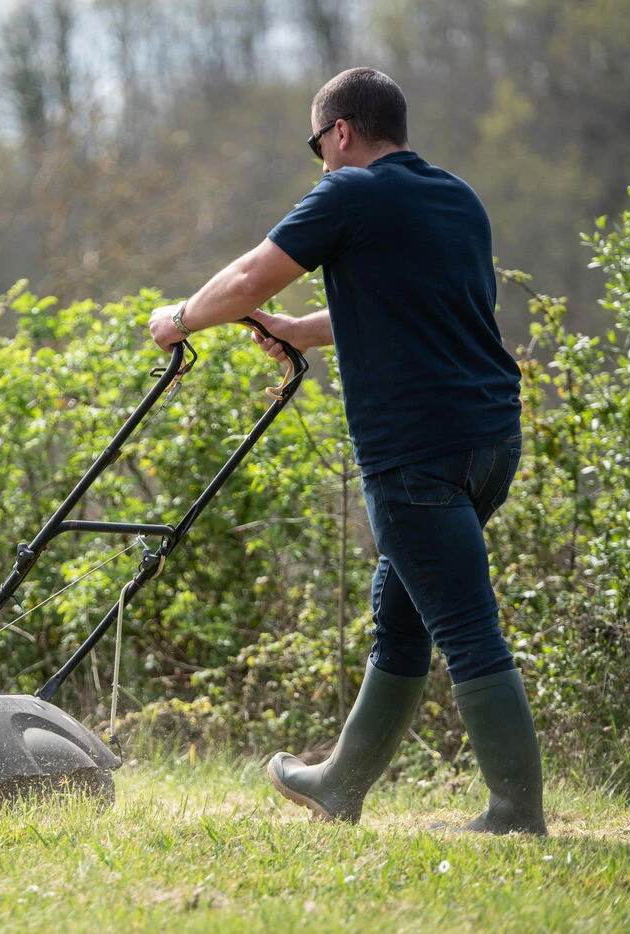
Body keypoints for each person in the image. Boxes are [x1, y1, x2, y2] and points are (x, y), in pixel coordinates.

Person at [146, 67, 545, 835]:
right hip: (491, 443)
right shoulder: (458, 197)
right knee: (402, 617)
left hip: (414, 452)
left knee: (464, 626)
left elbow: (247, 276)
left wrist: (181, 319)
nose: (320, 162)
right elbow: (426, 305)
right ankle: (339, 784)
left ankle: (515, 812)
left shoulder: (348, 193)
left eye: (318, 144)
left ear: (340, 133)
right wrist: (300, 331)